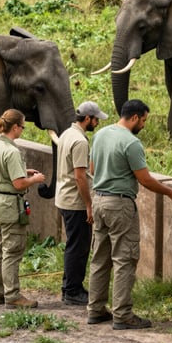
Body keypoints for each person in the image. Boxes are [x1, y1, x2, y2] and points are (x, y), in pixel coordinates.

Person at [87, 99, 172, 330]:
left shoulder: (101, 134)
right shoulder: (131, 143)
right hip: (119, 204)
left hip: (98, 199)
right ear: (134, 118)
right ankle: (122, 314)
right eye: (143, 120)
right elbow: (145, 179)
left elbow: (91, 170)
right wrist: (170, 192)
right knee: (124, 258)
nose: (144, 125)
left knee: (100, 258)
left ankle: (96, 309)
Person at [0, 109, 46, 308]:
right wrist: (34, 179)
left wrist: (23, 171)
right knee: (12, 250)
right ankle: (12, 295)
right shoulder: (12, 151)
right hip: (10, 205)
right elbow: (19, 184)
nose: (23, 130)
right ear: (15, 127)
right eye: (23, 126)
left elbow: (3, 172)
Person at [55, 100, 108, 306]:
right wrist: (88, 204)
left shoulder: (67, 133)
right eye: (96, 119)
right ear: (88, 119)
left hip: (63, 197)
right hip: (74, 202)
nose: (98, 123)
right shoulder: (80, 142)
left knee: (73, 245)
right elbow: (80, 176)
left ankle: (69, 286)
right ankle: (72, 291)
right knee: (78, 248)